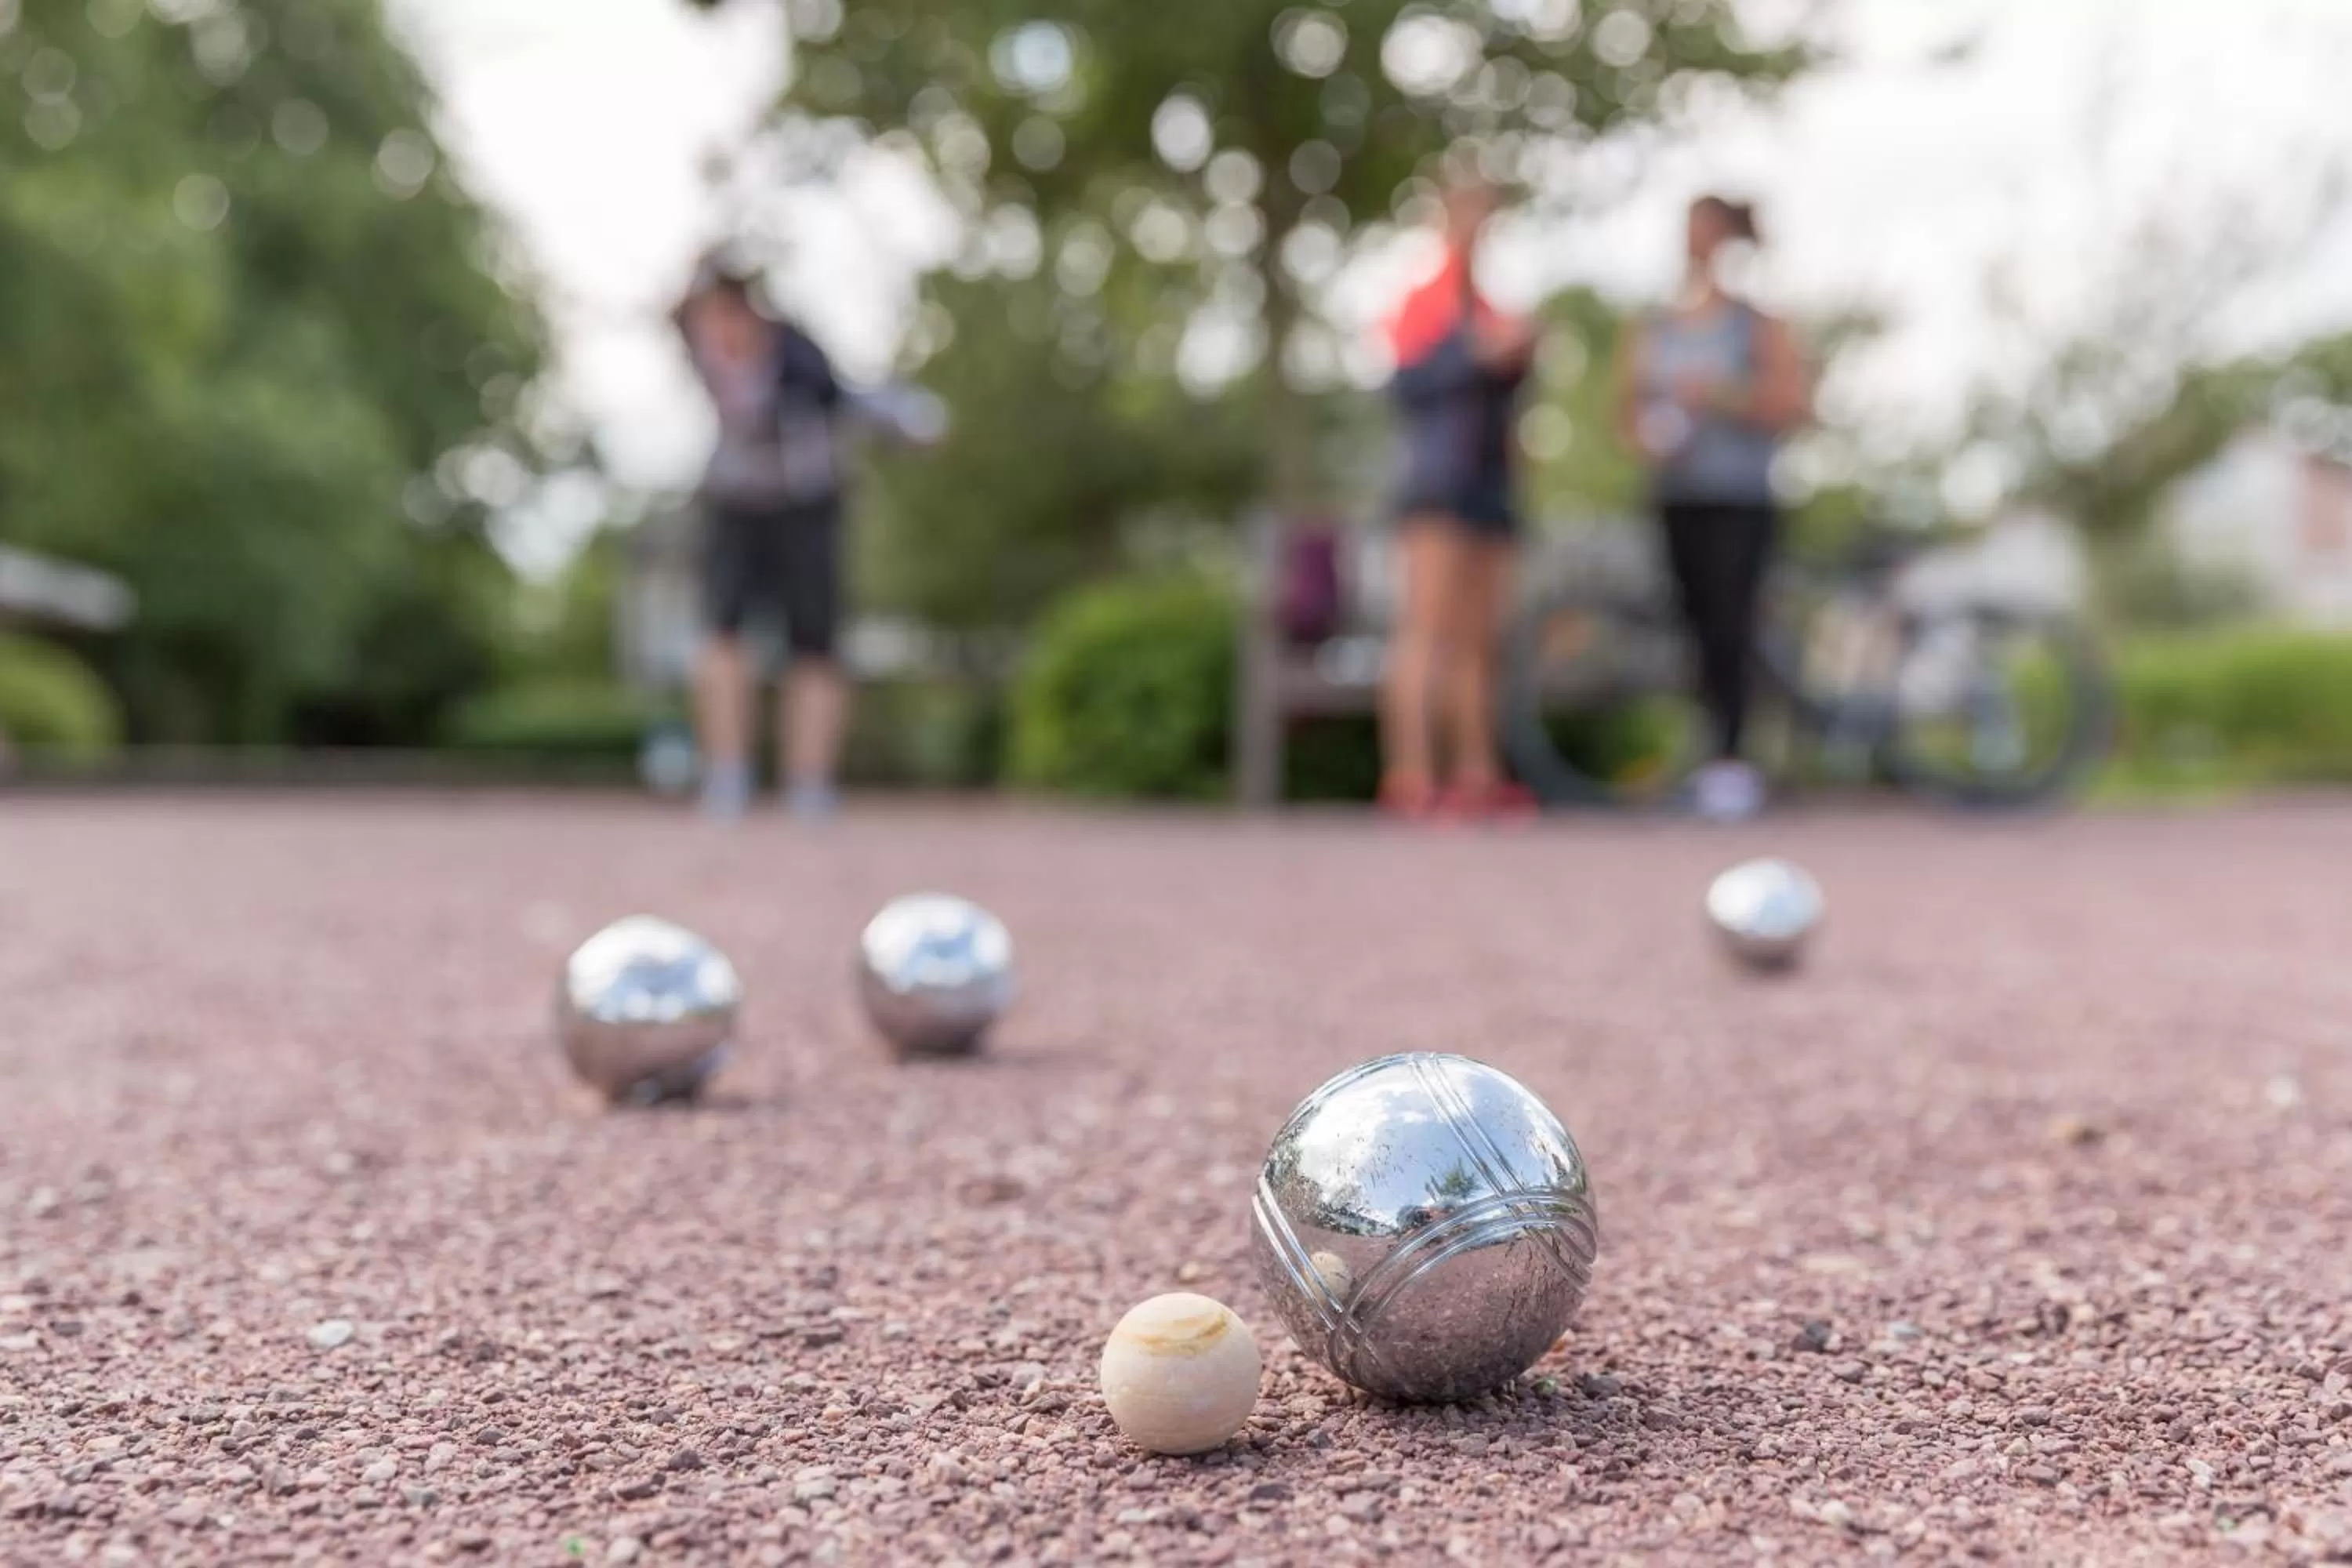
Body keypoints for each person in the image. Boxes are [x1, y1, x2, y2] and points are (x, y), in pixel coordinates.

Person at [675, 255, 937, 822]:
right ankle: (728, 775)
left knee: (815, 643)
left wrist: (913, 418)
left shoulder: (800, 358)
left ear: (750, 314)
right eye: (707, 315)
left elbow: (854, 400)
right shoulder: (695, 345)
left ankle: (810, 783)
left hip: (808, 505)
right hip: (735, 506)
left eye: (728, 313)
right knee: (722, 635)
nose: (718, 329)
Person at [1613, 195, 1811, 823]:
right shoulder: (1656, 326)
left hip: (1740, 497)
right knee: (1692, 625)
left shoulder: (1757, 323)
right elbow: (1627, 412)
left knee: (1733, 622)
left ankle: (1733, 761)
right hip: (1678, 494)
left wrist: (1722, 397)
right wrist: (1650, 434)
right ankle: (1706, 757)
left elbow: (1791, 404)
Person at [1379, 176, 1539, 821]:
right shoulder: (1423, 301)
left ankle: (1477, 776)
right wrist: (1473, 357)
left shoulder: (1496, 310)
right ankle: (1411, 776)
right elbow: (1404, 388)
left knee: (1479, 641)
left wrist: (1517, 359)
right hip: (1436, 485)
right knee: (1425, 633)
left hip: (1489, 488)